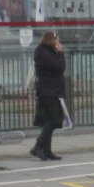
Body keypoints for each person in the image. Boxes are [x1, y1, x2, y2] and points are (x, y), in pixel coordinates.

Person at [31, 31, 66, 161]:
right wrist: (60, 53)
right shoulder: (46, 53)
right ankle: (38, 146)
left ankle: (47, 150)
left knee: (49, 121)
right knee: (54, 120)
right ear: (52, 40)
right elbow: (60, 67)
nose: (58, 42)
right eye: (57, 40)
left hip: (50, 90)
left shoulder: (44, 52)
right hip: (49, 91)